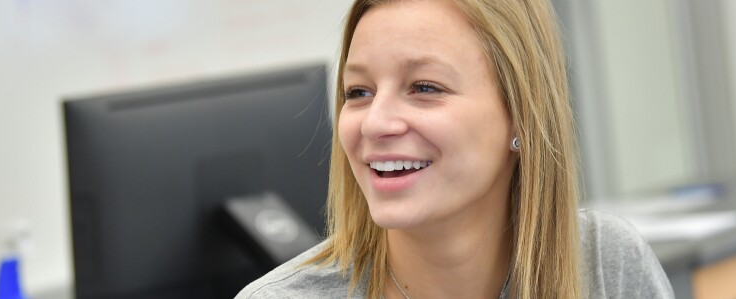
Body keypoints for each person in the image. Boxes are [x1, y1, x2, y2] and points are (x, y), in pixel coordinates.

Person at [236, 0, 674, 298]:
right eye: (358, 92)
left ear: (522, 113)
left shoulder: (605, 263)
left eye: (424, 87)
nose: (375, 122)